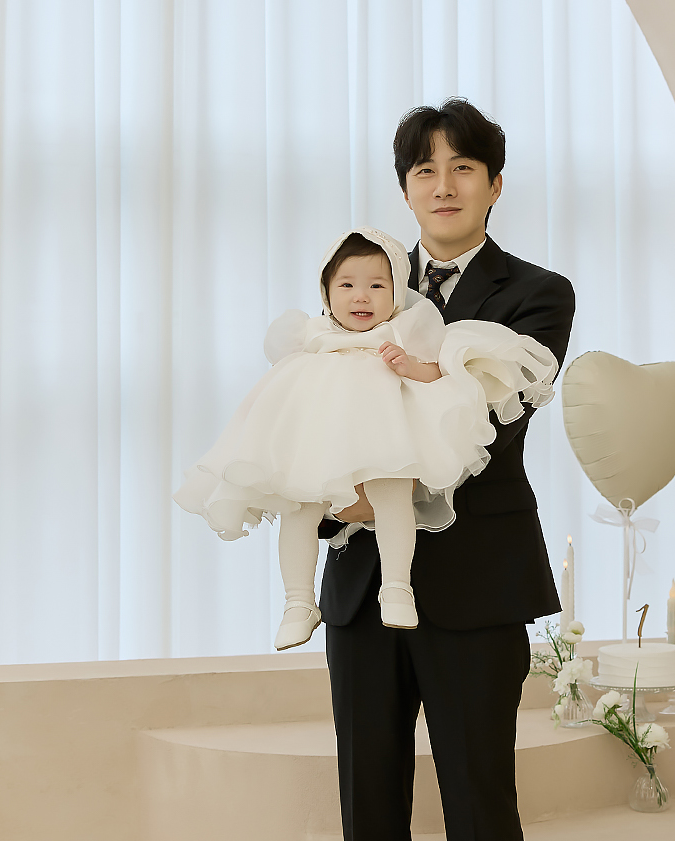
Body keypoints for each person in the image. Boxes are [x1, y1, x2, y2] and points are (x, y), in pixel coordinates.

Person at [310, 99, 575, 841]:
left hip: (476, 591)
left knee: (480, 815)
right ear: (404, 189)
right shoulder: (362, 283)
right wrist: (329, 499)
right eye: (425, 170)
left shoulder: (537, 295)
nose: (444, 184)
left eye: (464, 167)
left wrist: (369, 487)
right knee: (369, 811)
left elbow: (491, 431)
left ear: (495, 184)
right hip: (362, 590)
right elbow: (314, 406)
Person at [173, 227, 557, 649]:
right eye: (347, 286)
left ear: (397, 292)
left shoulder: (406, 329)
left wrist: (410, 366)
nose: (361, 297)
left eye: (377, 286)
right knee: (298, 508)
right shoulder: (310, 335)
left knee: (392, 496)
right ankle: (298, 601)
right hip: (321, 446)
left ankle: (396, 587)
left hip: (388, 439)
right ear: (326, 292)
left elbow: (443, 375)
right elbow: (284, 393)